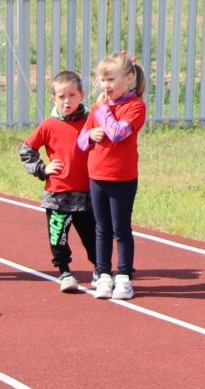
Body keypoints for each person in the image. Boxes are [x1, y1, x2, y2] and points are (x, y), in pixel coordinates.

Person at [78, 50, 148, 300]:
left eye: (111, 80)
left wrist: (103, 111)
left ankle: (124, 276)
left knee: (121, 229)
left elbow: (118, 133)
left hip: (122, 178)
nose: (106, 86)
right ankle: (103, 273)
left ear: (129, 79)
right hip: (97, 175)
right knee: (101, 228)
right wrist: (90, 136)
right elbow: (81, 140)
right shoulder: (97, 109)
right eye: (103, 81)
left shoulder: (135, 106)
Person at [17, 70, 96, 293]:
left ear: (81, 95)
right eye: (61, 96)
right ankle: (65, 271)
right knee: (58, 237)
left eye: (71, 95)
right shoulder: (48, 125)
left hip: (87, 194)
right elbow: (27, 150)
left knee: (93, 237)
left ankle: (101, 269)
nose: (66, 101)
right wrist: (43, 169)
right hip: (58, 194)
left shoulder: (91, 121)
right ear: (54, 98)